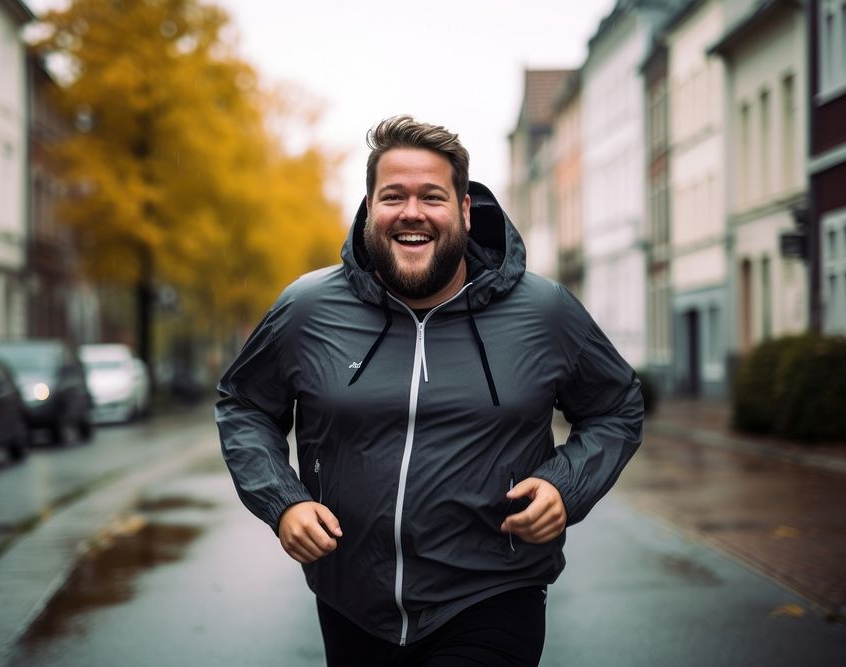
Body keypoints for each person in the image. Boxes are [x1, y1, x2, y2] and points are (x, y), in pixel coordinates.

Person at [215, 115, 643, 666]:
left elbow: (615, 406)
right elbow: (245, 404)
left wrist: (566, 486)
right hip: (351, 604)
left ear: (464, 210)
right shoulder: (307, 309)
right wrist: (283, 501)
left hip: (493, 595)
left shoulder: (545, 312)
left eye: (432, 197)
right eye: (393, 196)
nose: (412, 212)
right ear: (370, 209)